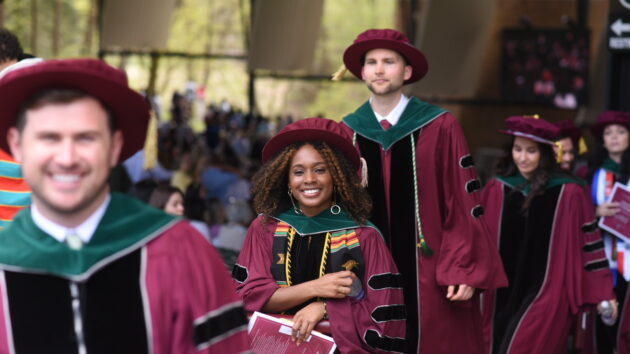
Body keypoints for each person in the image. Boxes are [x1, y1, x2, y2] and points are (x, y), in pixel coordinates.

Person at [0, 58, 250, 353]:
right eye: (49, 138)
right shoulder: (6, 261)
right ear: (16, 144)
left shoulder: (181, 251)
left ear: (115, 146)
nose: (66, 157)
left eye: (85, 138)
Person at [337, 28, 507, 353]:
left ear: (407, 71)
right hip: (366, 269)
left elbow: (463, 200)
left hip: (430, 267)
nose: (380, 69)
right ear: (361, 72)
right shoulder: (348, 132)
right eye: (371, 62)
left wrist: (464, 267)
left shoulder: (440, 126)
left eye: (389, 61)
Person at [233, 118, 406, 353]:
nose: (309, 179)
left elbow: (385, 321)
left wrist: (324, 309)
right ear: (286, 179)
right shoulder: (265, 228)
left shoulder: (363, 236)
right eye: (298, 171)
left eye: (320, 169)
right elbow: (248, 298)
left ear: (337, 176)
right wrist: (316, 288)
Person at [480, 115, 615, 354]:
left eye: (531, 151)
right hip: (499, 292)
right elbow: (477, 239)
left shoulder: (569, 192)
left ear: (545, 153)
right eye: (517, 149)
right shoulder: (498, 188)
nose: (522, 158)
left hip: (548, 291)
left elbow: (589, 245)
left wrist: (603, 291)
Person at [587, 110, 630, 353]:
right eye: (608, 133)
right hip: (601, 257)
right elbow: (577, 213)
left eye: (621, 132)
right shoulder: (592, 173)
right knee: (602, 320)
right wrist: (595, 210)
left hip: (629, 260)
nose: (614, 137)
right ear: (602, 140)